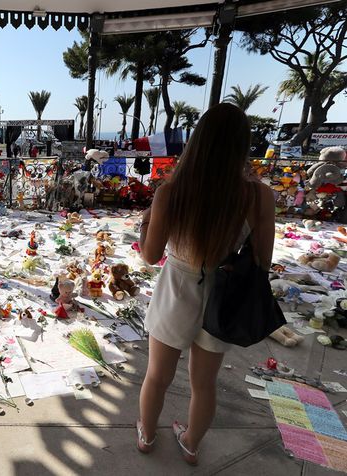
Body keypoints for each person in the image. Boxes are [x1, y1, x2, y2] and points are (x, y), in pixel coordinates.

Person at [136, 103, 275, 465]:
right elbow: (262, 259)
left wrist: (145, 223)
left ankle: (147, 437)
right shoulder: (258, 196)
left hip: (177, 287)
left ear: (198, 141)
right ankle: (191, 444)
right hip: (223, 293)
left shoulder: (172, 192)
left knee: (157, 375)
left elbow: (150, 256)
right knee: (204, 383)